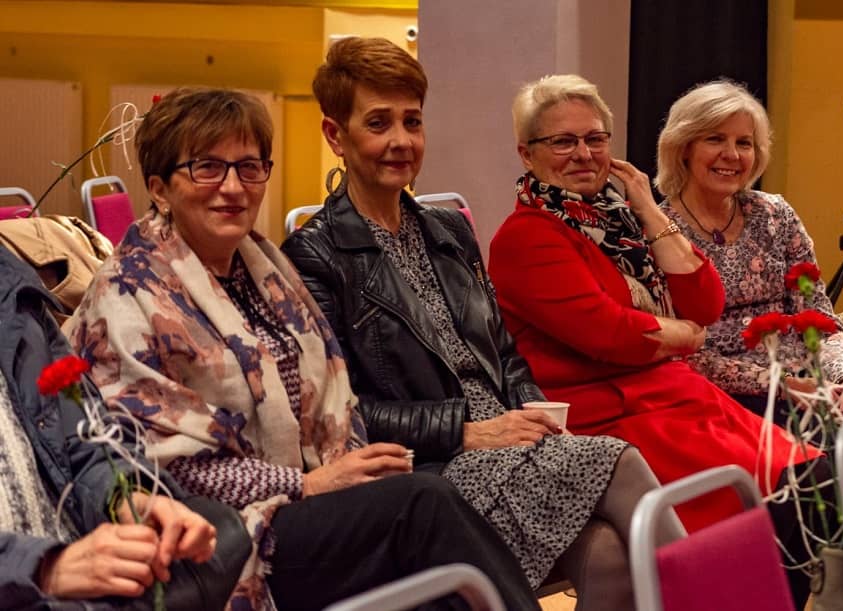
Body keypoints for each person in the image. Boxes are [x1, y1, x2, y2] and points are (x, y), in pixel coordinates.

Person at [66, 86, 540, 611]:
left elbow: (337, 396)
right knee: (423, 507)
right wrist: (309, 484)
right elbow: (159, 469)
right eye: (208, 168)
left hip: (299, 498)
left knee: (433, 518)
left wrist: (351, 467)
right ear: (160, 189)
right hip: (219, 534)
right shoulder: (128, 295)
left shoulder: (262, 270)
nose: (233, 187)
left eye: (249, 168)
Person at [281, 37, 666, 611]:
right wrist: (467, 431)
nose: (401, 141)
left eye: (412, 121)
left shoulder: (448, 229)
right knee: (619, 458)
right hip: (434, 467)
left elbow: (503, 353)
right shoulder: (313, 254)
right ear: (336, 136)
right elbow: (342, 413)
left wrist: (538, 417)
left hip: (509, 444)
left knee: (608, 552)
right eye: (379, 123)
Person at [487, 74, 822, 609]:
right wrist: (683, 336)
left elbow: (705, 302)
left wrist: (647, 207)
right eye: (563, 142)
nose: (583, 154)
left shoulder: (619, 220)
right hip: (613, 415)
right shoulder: (525, 237)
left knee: (812, 484)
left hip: (674, 396)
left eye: (595, 139)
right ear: (527, 154)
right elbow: (613, 335)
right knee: (781, 501)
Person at [0, 243, 250, 610]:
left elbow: (85, 438)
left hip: (83, 561)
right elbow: (188, 455)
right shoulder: (128, 283)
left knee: (224, 539)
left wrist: (129, 497)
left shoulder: (9, 283)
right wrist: (44, 568)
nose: (233, 204)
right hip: (32, 582)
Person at [656, 79, 843, 423]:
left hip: (809, 381)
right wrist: (783, 385)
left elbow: (820, 317)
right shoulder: (659, 231)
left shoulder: (775, 214)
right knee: (831, 444)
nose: (732, 154)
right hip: (725, 394)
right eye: (715, 139)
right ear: (683, 147)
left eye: (744, 143)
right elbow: (682, 353)